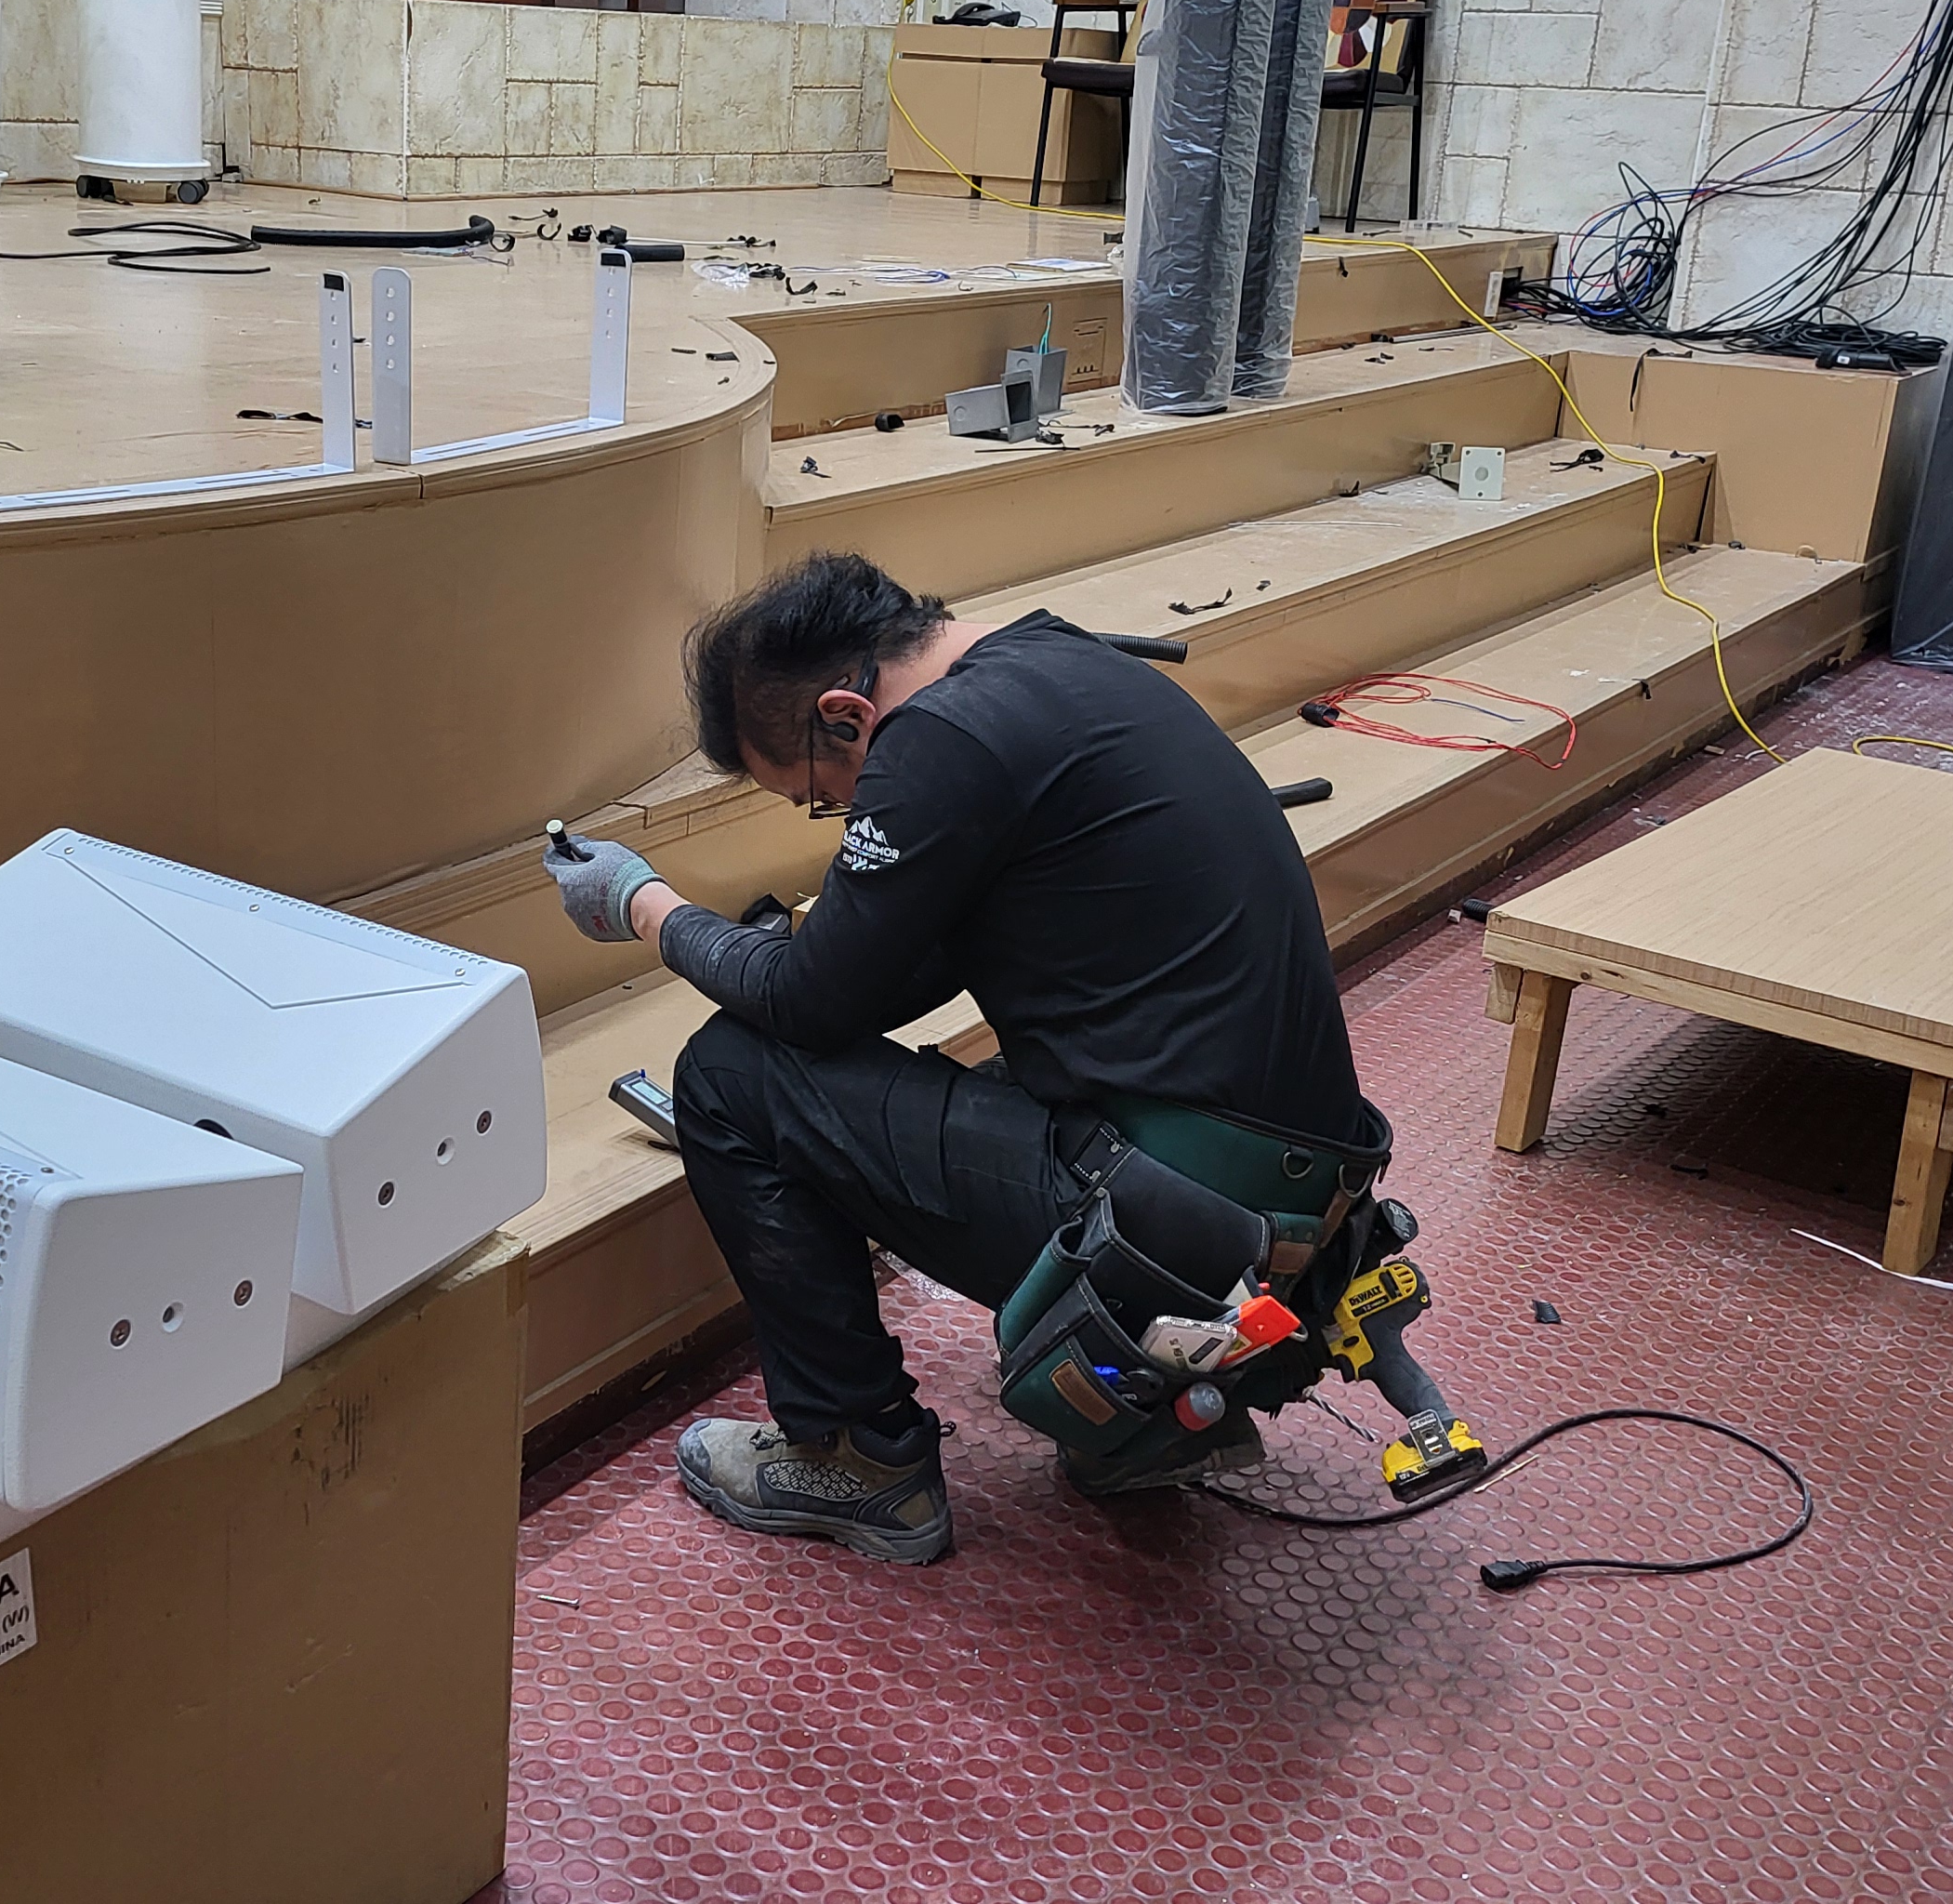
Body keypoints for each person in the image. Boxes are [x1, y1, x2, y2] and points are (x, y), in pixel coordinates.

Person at [540, 551, 1407, 1565]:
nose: (843, 811)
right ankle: (1148, 1421)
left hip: (1177, 1227)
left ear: (843, 716)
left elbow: (808, 1005)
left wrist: (646, 907)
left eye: (822, 795)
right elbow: (888, 974)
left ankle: (857, 1456)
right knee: (880, 1069)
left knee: (732, 1077)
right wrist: (803, 961)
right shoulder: (1058, 664)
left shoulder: (935, 741)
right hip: (1285, 1210)